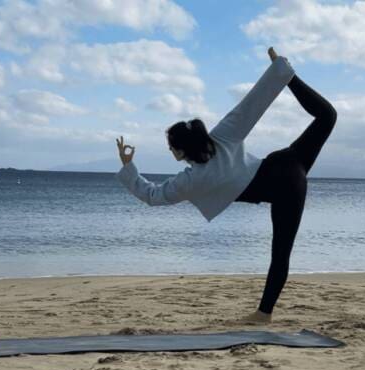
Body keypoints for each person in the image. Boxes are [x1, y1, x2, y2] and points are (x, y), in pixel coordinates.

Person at [115, 47, 337, 324]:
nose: (170, 151)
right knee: (327, 116)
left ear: (181, 151)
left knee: (280, 253)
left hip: (286, 188)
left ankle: (263, 315)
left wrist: (129, 168)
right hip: (287, 162)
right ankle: (291, 77)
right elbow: (252, 104)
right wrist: (279, 71)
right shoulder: (221, 137)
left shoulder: (191, 180)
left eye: (170, 147)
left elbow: (153, 195)